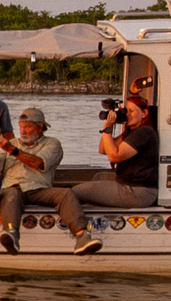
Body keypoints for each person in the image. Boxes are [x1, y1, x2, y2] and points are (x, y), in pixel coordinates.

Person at [49, 93, 160, 255]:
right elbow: (103, 149)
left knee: (72, 193)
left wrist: (107, 128)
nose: (128, 115)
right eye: (126, 111)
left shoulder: (144, 133)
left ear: (144, 113)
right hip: (132, 185)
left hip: (137, 192)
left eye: (132, 111)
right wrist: (111, 126)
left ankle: (79, 234)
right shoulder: (133, 132)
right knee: (99, 177)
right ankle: (89, 216)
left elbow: (114, 156)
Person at [0, 107, 65, 255]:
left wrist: (12, 150)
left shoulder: (52, 144)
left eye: (27, 127)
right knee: (12, 193)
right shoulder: (12, 143)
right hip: (12, 190)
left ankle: (82, 235)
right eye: (20, 127)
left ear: (40, 128)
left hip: (39, 190)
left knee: (67, 194)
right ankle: (11, 235)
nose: (23, 131)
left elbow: (38, 163)